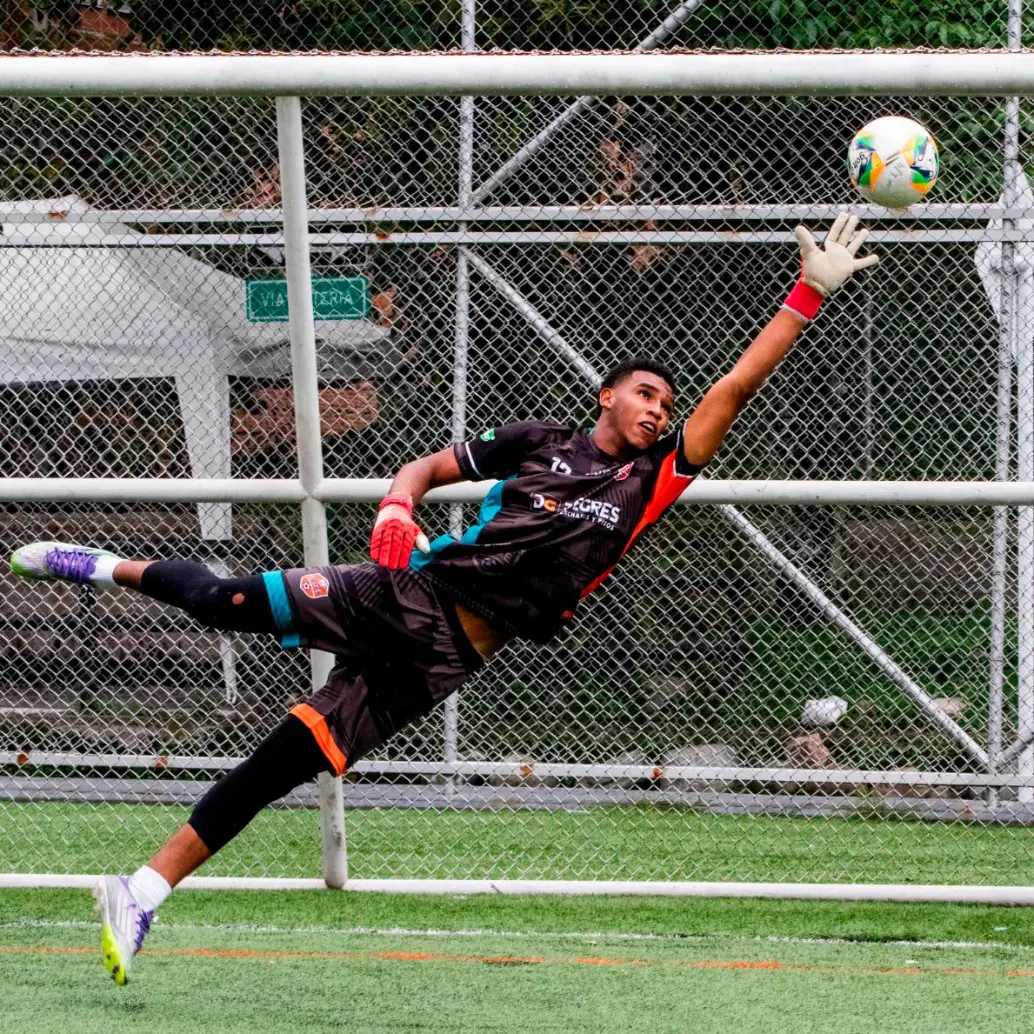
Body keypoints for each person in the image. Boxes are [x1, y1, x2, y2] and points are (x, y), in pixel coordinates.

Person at [10, 214, 877, 985]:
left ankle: (141, 890)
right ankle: (102, 565)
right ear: (606, 394)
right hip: (409, 592)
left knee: (284, 764)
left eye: (667, 404)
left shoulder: (648, 484)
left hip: (449, 656)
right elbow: (425, 468)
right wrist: (398, 501)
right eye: (646, 394)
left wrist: (808, 295)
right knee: (222, 603)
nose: (660, 410)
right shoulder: (541, 443)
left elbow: (737, 388)